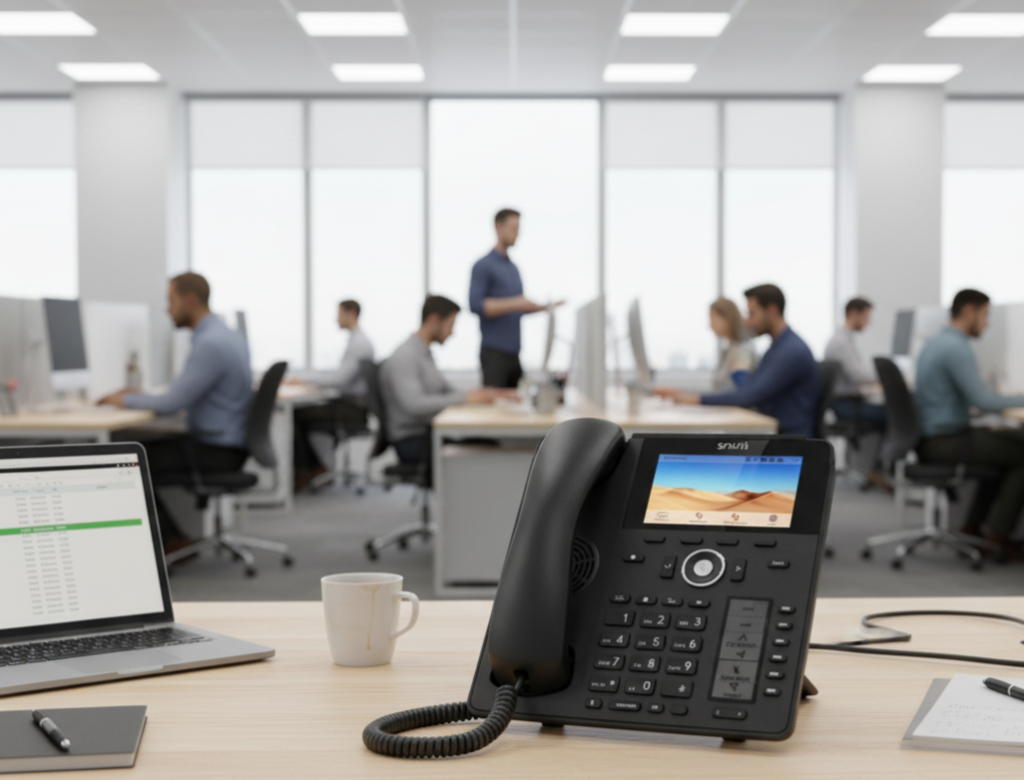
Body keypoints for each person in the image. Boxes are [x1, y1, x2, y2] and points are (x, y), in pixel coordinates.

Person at [99, 272, 252, 549]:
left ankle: (170, 542)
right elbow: (180, 395)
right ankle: (171, 539)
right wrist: (140, 396)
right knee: (134, 449)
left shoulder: (210, 344)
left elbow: (171, 404)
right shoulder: (226, 335)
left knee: (124, 462)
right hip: (226, 444)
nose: (167, 310)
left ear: (190, 300)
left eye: (171, 301)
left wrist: (123, 400)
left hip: (216, 450)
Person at [916, 288, 1024, 558]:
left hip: (935, 438)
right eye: (986, 315)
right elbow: (983, 402)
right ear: (968, 311)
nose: (987, 324)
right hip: (946, 441)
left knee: (1005, 450)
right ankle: (998, 536)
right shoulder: (956, 347)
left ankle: (973, 528)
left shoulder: (937, 342)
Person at [654, 284, 819, 437]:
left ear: (772, 310)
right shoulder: (777, 348)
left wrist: (693, 399)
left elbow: (748, 395)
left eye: (752, 314)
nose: (748, 321)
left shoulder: (790, 351)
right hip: (773, 430)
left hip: (788, 438)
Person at [380, 295, 516, 476]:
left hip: (427, 433)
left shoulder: (423, 354)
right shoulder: (405, 356)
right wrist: (465, 398)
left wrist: (488, 394)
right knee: (487, 450)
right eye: (451, 325)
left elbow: (446, 390)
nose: (452, 333)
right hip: (411, 441)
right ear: (434, 320)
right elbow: (414, 405)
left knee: (488, 443)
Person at [468, 208, 562, 388]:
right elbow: (476, 305)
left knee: (519, 404)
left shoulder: (513, 269)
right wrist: (517, 302)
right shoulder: (483, 265)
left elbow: (517, 308)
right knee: (496, 410)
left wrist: (543, 307)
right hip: (494, 353)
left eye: (518, 229)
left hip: (514, 353)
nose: (517, 233)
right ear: (498, 227)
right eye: (513, 228)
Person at [287, 300, 374, 490]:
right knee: (302, 414)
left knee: (295, 414)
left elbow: (339, 381)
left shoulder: (359, 344)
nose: (336, 319)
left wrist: (304, 381)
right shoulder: (356, 341)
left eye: (339, 313)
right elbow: (338, 375)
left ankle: (312, 469)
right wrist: (308, 378)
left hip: (352, 408)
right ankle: (314, 467)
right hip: (350, 404)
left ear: (351, 313)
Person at [824, 297, 885, 425]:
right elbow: (858, 374)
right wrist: (886, 377)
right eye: (865, 316)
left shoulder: (845, 340)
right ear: (852, 313)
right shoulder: (841, 343)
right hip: (845, 405)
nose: (868, 322)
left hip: (847, 402)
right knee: (893, 414)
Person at [709, 297, 757, 392]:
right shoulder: (729, 349)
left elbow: (741, 391)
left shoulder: (743, 351)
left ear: (726, 318)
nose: (710, 325)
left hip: (734, 406)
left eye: (712, 319)